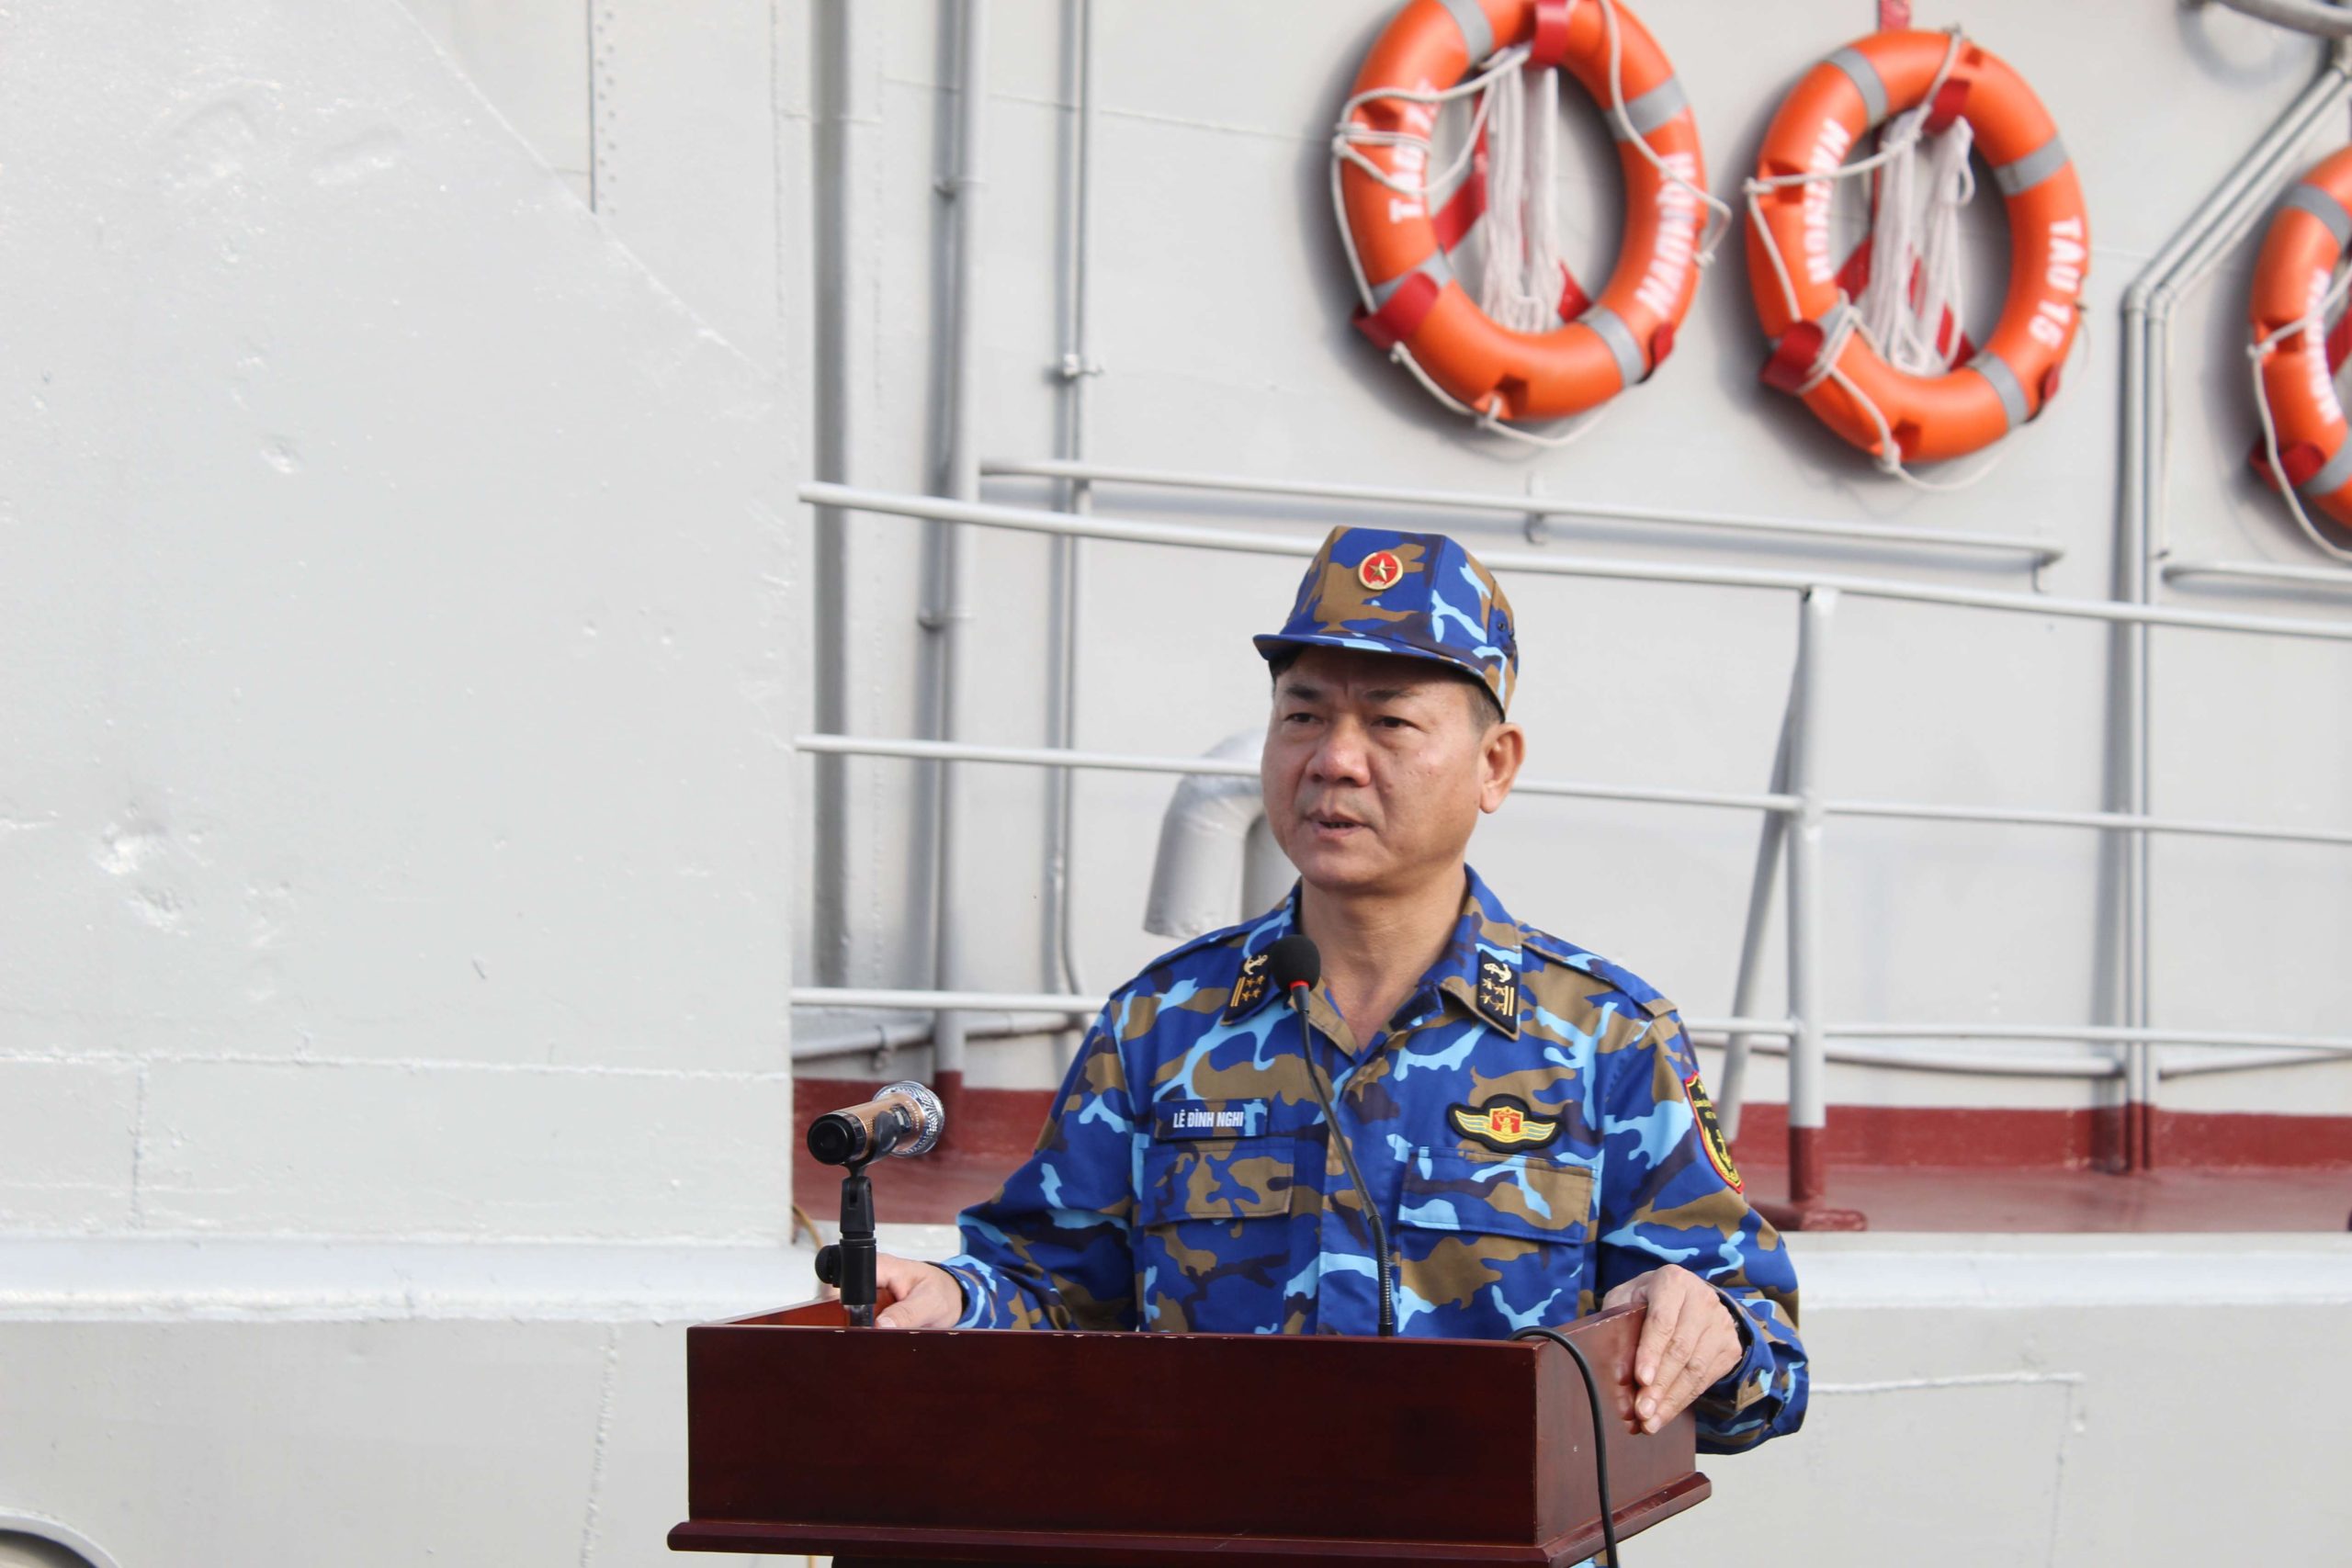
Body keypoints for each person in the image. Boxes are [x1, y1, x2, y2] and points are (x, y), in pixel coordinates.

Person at [871, 525, 1806, 1455]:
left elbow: (1767, 1368)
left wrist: (1711, 1329)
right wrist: (952, 1296)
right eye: (1304, 716)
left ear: (1493, 766)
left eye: (1389, 722)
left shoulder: (1606, 1040)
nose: (1334, 760)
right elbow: (1051, 1284)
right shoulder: (1161, 1024)